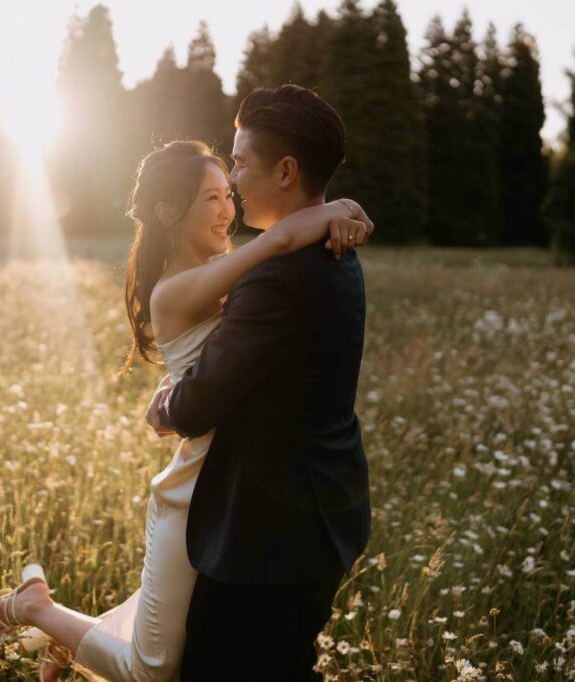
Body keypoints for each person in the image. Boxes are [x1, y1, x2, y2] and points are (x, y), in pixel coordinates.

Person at [0, 131, 373, 681]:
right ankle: (38, 609)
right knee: (153, 670)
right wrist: (338, 208)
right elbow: (277, 246)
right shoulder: (174, 291)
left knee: (177, 640)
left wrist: (342, 209)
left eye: (228, 193)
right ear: (170, 213)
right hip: (191, 493)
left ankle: (65, 637)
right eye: (211, 198)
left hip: (234, 487)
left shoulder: (228, 269)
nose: (229, 209)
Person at [147, 84, 373, 681]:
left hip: (270, 537)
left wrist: (165, 404)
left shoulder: (277, 281)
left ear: (286, 171)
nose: (236, 181)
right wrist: (336, 209)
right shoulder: (336, 250)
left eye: (241, 165)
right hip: (315, 517)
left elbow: (199, 403)